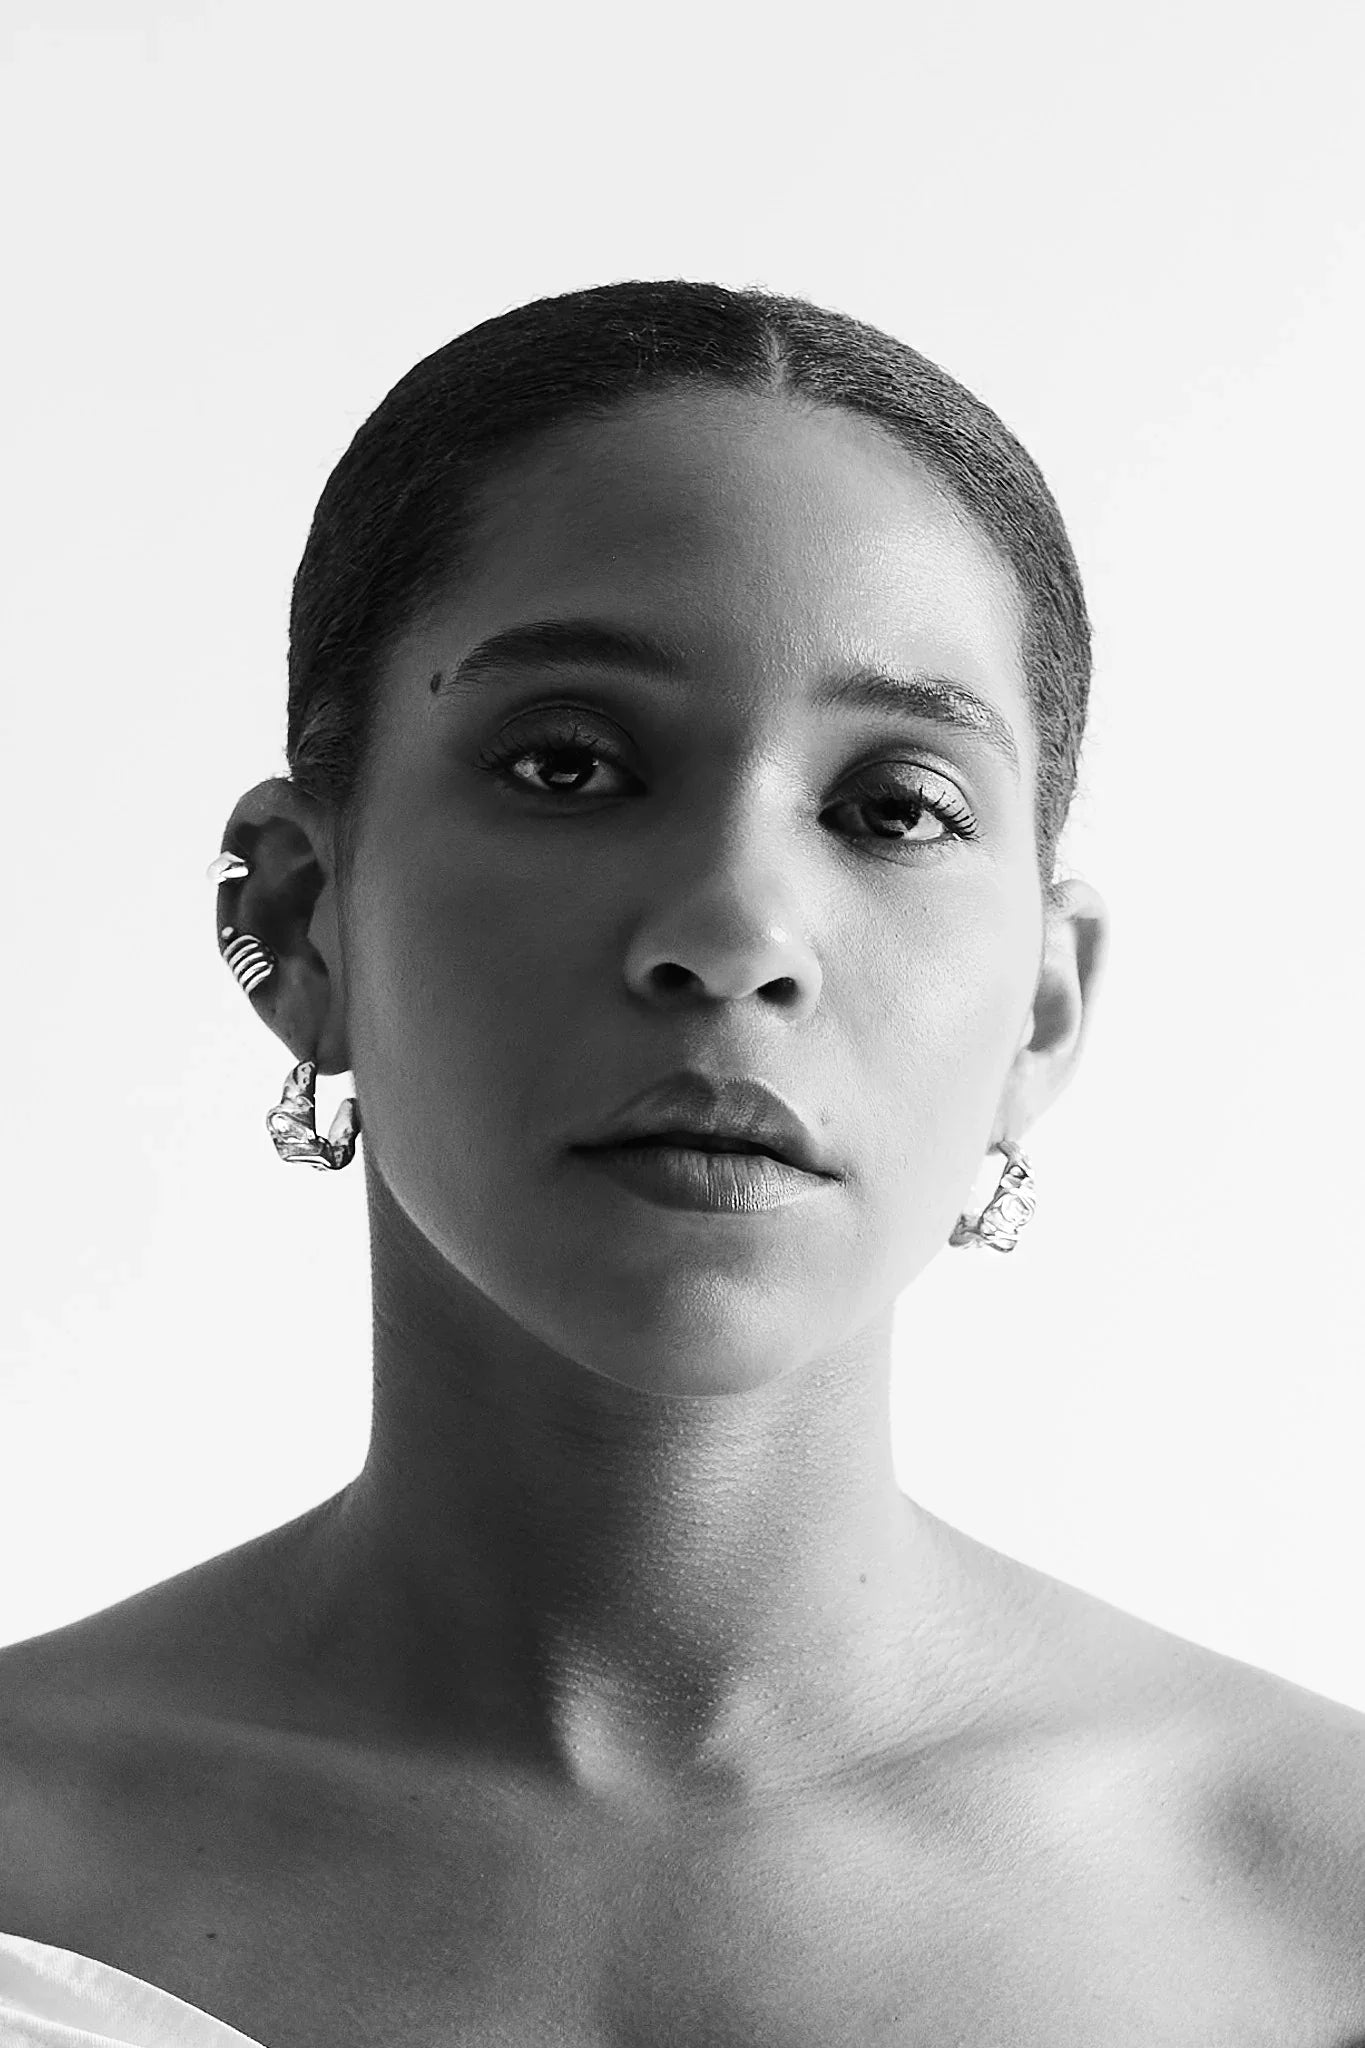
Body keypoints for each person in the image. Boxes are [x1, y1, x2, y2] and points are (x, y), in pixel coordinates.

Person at [2, 279, 1362, 2047]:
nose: (734, 932)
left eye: (893, 810)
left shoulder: (1322, 1902)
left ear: (1040, 1008)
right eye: (569, 764)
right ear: (300, 917)